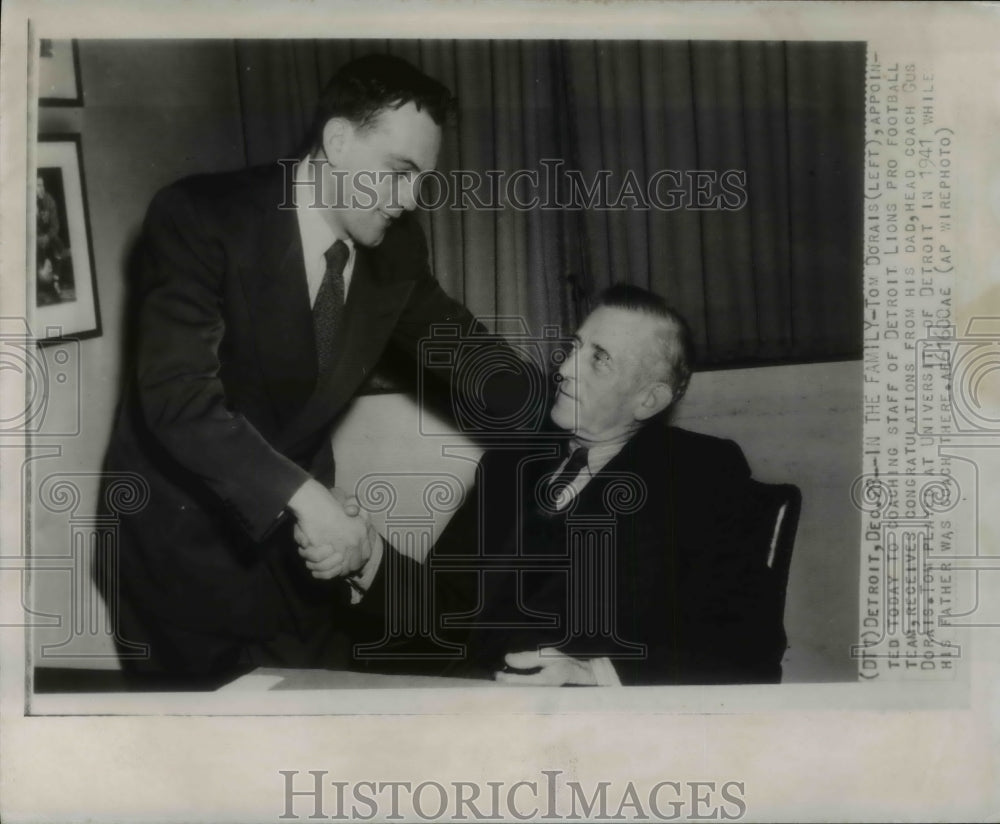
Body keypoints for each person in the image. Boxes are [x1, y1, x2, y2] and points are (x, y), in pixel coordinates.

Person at [98, 54, 529, 682]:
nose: (410, 200)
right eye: (398, 172)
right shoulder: (202, 218)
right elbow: (179, 400)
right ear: (336, 141)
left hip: (301, 548)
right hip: (181, 552)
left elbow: (461, 346)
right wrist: (307, 500)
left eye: (421, 180)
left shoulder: (395, 246)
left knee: (323, 708)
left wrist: (580, 415)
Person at [341, 284, 789, 686]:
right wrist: (367, 558)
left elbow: (750, 653)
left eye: (599, 359)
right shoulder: (508, 464)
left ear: (649, 399)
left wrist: (592, 674)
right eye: (574, 347)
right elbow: (448, 608)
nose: (565, 368)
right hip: (470, 707)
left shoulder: (700, 475)